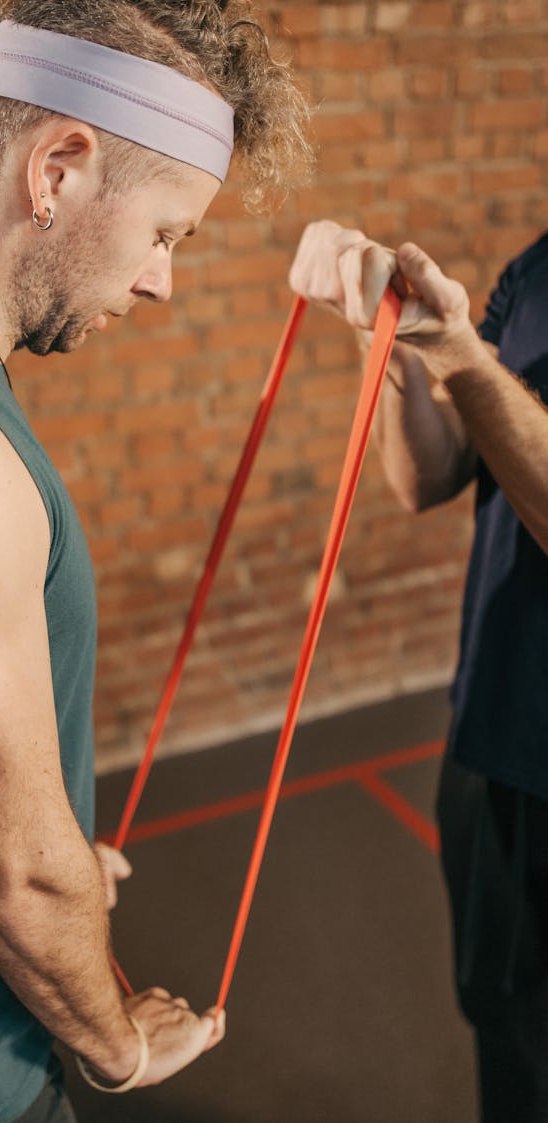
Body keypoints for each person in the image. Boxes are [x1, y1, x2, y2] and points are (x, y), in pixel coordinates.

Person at [0, 3, 312, 1121]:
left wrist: (54, 841)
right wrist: (118, 1044)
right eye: (167, 232)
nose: (162, 280)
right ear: (60, 169)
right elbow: (25, 876)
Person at [289, 220, 548, 1122]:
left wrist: (456, 350)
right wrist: (393, 350)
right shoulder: (535, 268)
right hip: (494, 735)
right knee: (512, 1032)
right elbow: (429, 477)